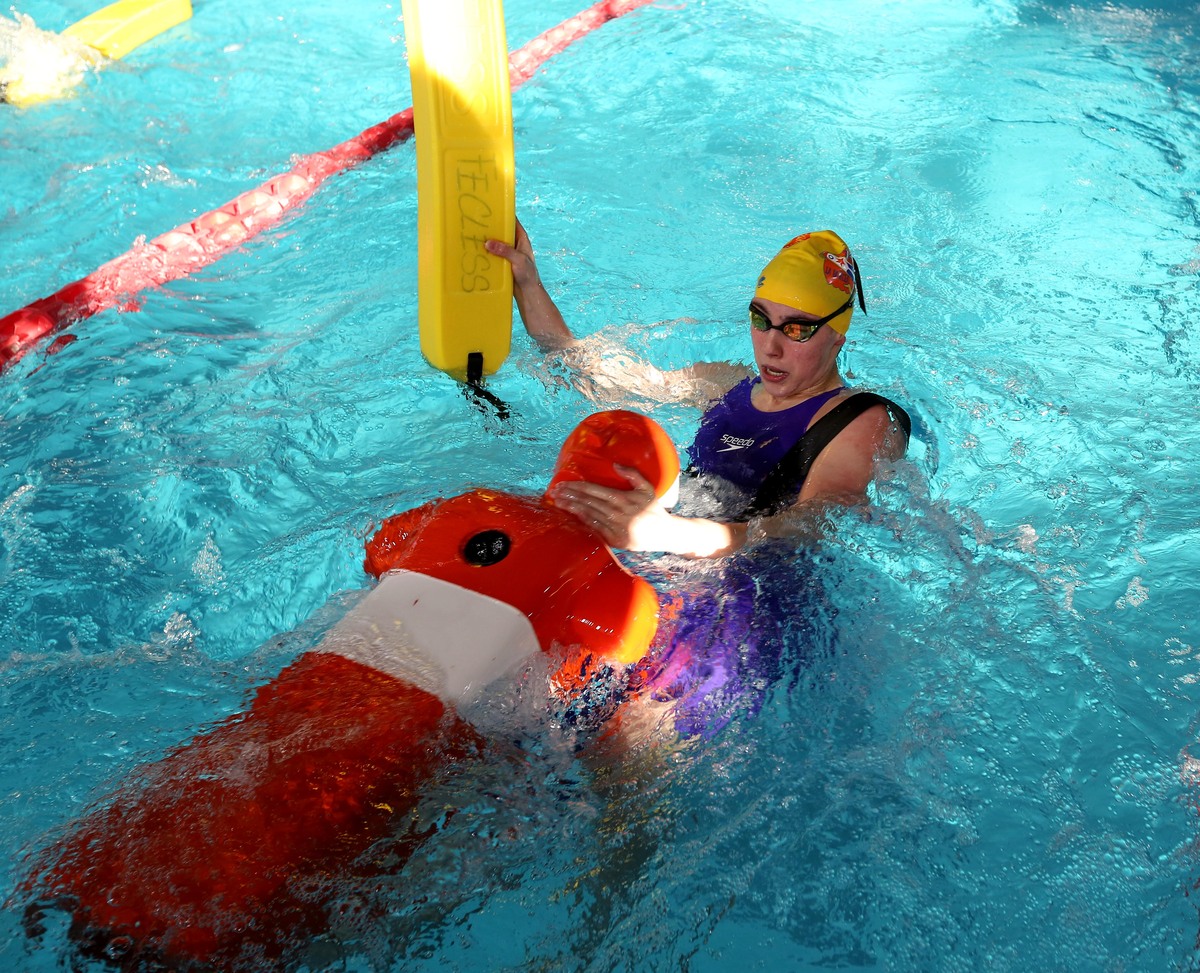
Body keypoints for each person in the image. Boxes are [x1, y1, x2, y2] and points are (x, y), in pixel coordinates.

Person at [485, 221, 910, 558]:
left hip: (762, 604)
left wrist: (671, 534)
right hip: (668, 550)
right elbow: (590, 371)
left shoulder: (862, 421)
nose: (771, 346)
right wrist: (528, 283)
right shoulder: (728, 383)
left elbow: (810, 526)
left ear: (838, 337)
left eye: (797, 329)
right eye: (761, 319)